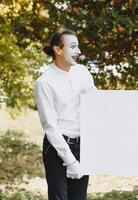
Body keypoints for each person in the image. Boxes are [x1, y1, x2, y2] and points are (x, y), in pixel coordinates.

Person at [34, 27, 96, 200]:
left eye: (78, 47)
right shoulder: (45, 82)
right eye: (73, 46)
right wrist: (70, 160)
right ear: (58, 49)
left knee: (79, 197)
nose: (79, 51)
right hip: (56, 147)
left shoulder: (83, 73)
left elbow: (96, 107)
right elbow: (51, 127)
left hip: (82, 146)